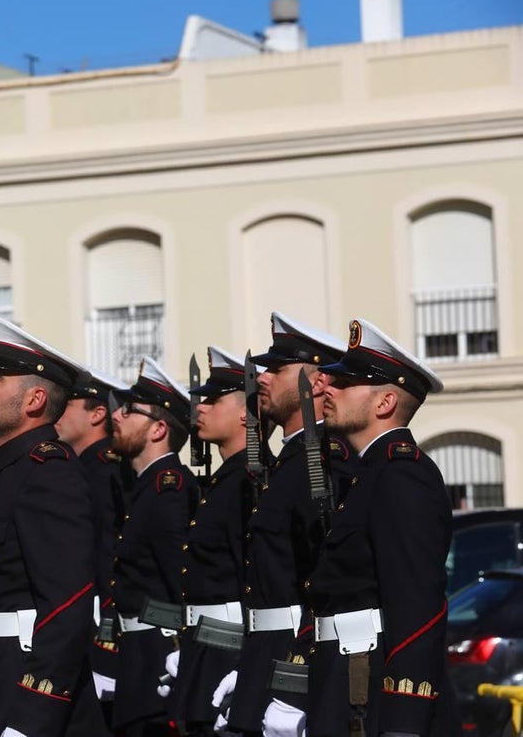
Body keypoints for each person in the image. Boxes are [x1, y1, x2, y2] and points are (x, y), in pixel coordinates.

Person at [290, 318, 455, 737]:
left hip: (373, 693)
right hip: (342, 682)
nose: (327, 388)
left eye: (345, 383)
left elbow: (418, 607)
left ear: (383, 403)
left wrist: (404, 721)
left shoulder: (401, 476)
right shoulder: (366, 476)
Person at [0, 316, 106, 737]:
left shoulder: (47, 471)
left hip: (24, 690)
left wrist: (31, 718)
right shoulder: (6, 474)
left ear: (34, 399)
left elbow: (66, 607)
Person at [219, 313, 350, 735]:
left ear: (316, 384)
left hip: (295, 652)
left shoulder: (325, 462)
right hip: (265, 651)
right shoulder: (287, 464)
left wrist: (296, 679)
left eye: (277, 369)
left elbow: (327, 583)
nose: (262, 379)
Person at [109, 357, 194, 737]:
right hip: (138, 659)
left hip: (159, 661)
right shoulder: (145, 486)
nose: (117, 416)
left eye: (130, 411)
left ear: (159, 428)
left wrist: (180, 652)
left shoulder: (168, 489)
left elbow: (180, 581)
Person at [169, 347, 252, 734]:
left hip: (228, 651)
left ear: (244, 413)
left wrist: (244, 662)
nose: (199, 408)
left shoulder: (247, 482)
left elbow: (252, 581)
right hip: (203, 646)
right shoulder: (221, 481)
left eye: (213, 401)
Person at [54, 367, 131, 724]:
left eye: (67, 404)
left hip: (105, 633)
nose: (57, 412)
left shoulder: (102, 470)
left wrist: (107, 643)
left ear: (97, 413)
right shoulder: (80, 467)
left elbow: (111, 557)